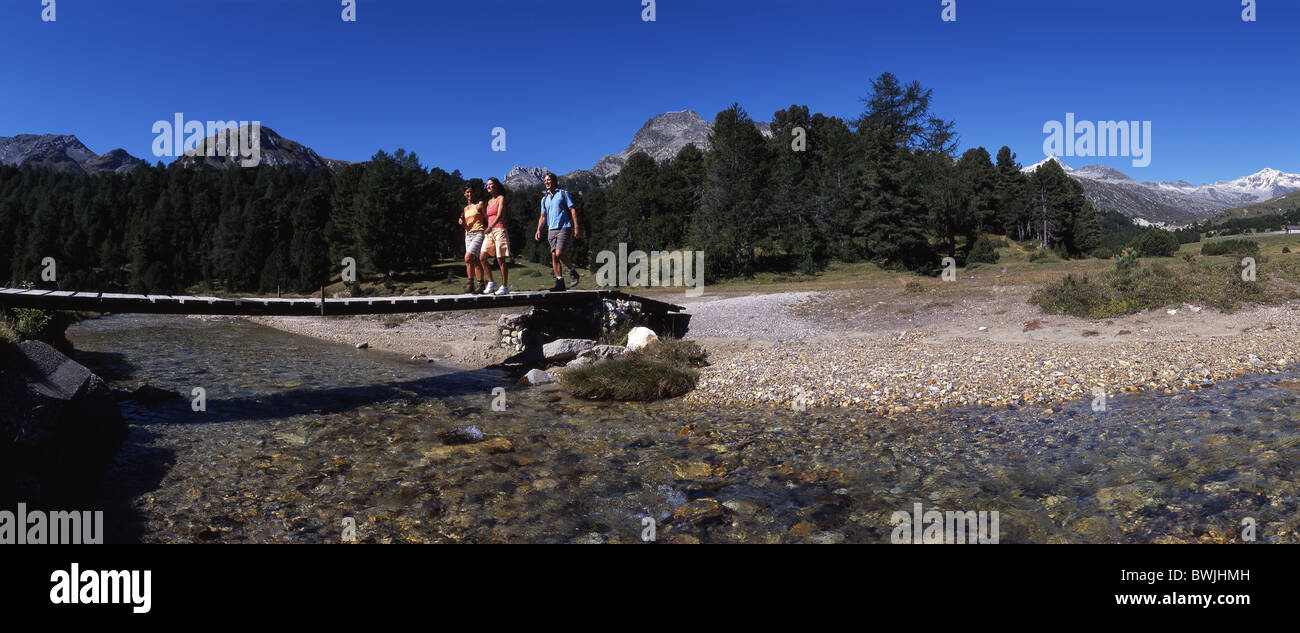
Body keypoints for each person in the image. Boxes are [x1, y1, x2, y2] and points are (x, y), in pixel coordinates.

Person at [534, 172, 580, 292]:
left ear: (554, 181)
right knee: (554, 256)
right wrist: (538, 229)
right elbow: (543, 216)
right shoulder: (544, 199)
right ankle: (560, 282)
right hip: (551, 230)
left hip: (564, 227)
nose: (546, 182)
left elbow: (572, 210)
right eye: (545, 181)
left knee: (559, 253)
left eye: (549, 180)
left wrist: (576, 227)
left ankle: (572, 271)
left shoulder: (563, 194)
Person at [478, 177, 511, 295]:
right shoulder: (489, 202)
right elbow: (488, 218)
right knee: (482, 257)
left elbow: (500, 214)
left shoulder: (501, 198)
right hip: (490, 231)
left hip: (499, 230)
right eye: (487, 185)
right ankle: (491, 283)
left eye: (491, 184)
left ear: (496, 186)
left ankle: (504, 287)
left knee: (500, 259)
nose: (488, 186)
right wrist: (482, 211)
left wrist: (490, 227)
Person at [458, 185, 487, 294]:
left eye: (471, 192)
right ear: (465, 194)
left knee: (467, 257)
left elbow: (487, 217)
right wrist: (462, 222)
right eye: (467, 192)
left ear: (474, 193)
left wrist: (490, 229)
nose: (469, 194)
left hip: (478, 233)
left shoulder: (479, 205)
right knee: (475, 261)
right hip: (468, 235)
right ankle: (480, 285)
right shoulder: (465, 209)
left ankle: (470, 283)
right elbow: (465, 225)